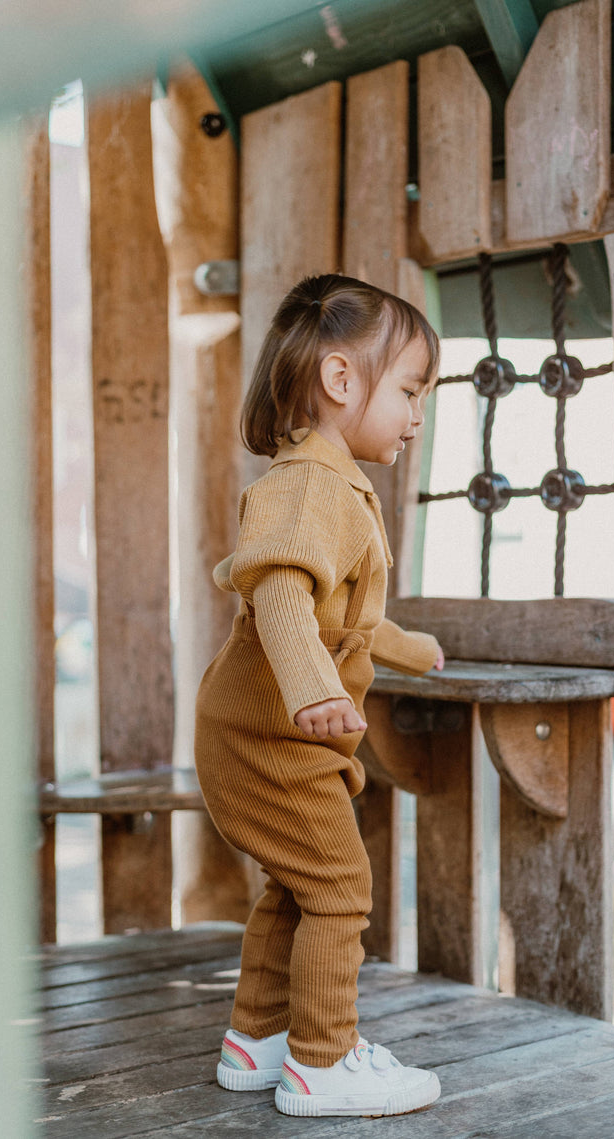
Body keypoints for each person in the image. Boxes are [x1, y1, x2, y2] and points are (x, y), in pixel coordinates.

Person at [194, 273, 444, 1118]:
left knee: (298, 882)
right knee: (341, 886)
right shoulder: (307, 486)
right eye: (410, 390)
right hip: (273, 732)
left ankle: (258, 1038)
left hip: (257, 729)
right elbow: (282, 600)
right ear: (342, 382)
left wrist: (410, 647)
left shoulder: (330, 486)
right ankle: (324, 1058)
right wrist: (310, 694)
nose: (416, 414)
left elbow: (347, 617)